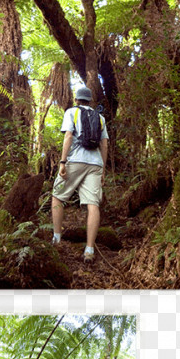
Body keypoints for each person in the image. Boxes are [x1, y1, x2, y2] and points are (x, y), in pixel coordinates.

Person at [51, 85, 109, 263]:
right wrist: (103, 169)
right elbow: (104, 144)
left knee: (57, 197)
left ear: (76, 100)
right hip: (96, 164)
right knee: (93, 204)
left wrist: (62, 162)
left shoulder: (72, 112)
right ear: (90, 101)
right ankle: (89, 249)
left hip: (75, 161)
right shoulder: (100, 117)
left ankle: (57, 238)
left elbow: (68, 136)